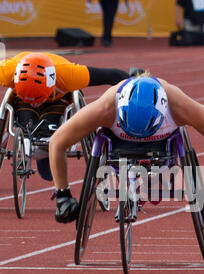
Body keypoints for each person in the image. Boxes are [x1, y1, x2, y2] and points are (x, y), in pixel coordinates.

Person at [49, 74, 204, 223]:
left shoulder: (179, 106)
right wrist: (62, 195)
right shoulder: (106, 107)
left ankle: (146, 187)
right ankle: (141, 187)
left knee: (159, 182)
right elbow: (57, 142)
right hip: (118, 142)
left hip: (162, 143)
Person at [0, 51, 133, 181]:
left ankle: (46, 149)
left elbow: (114, 75)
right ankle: (35, 138)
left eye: (38, 99)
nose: (35, 104)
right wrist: (29, 99)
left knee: (47, 135)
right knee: (27, 127)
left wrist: (136, 84)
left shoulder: (70, 75)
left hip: (58, 97)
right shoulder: (6, 72)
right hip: (22, 97)